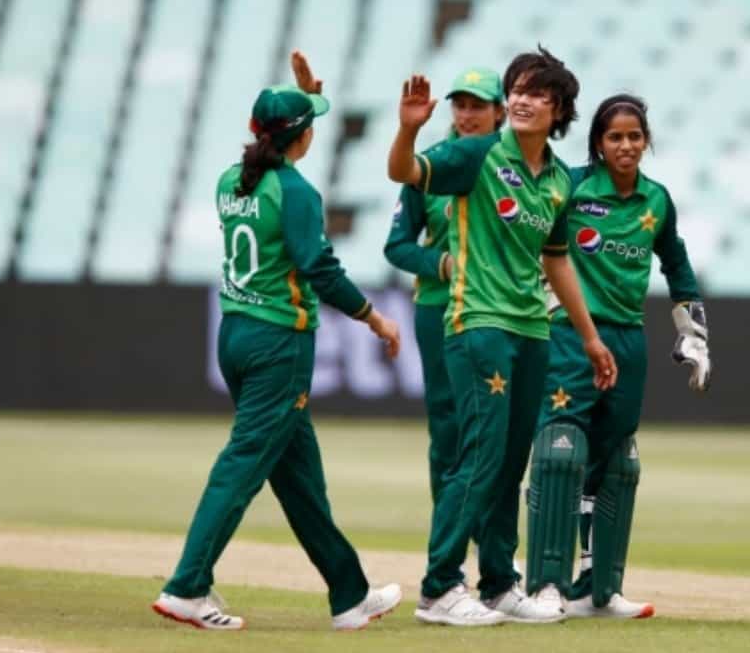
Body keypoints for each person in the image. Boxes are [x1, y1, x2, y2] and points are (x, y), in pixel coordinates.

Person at [152, 53, 403, 631]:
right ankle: (187, 587)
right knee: (243, 462)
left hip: (235, 334)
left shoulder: (231, 179)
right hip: (279, 343)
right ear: (303, 136)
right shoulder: (296, 191)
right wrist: (373, 318)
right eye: (310, 124)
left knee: (298, 478)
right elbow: (318, 267)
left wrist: (306, 99)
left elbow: (277, 144)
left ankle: (350, 595)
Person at [387, 46, 618, 626]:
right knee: (480, 454)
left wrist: (590, 338)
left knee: (512, 462)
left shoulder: (560, 179)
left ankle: (497, 582)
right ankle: (440, 588)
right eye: (515, 89)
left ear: (558, 109)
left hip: (532, 329)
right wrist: (408, 130)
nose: (520, 99)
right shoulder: (478, 153)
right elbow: (403, 173)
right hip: (478, 321)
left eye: (536, 93)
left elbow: (557, 261)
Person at [523, 94, 710, 620]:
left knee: (616, 462)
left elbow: (677, 265)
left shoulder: (657, 200)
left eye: (634, 136)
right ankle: (546, 584)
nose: (626, 146)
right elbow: (532, 240)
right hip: (571, 335)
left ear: (646, 141)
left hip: (628, 339)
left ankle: (598, 588)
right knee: (560, 452)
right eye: (614, 137)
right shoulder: (572, 186)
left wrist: (694, 333)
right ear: (598, 144)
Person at [383, 67, 505, 504]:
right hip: (439, 305)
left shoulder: (515, 165)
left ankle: (491, 536)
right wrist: (442, 263)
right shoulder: (430, 164)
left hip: (502, 309)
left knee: (498, 424)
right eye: (461, 106)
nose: (467, 115)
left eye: (478, 106)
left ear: (500, 112)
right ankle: (447, 534)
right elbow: (397, 245)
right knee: (448, 424)